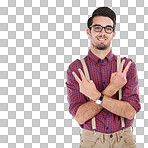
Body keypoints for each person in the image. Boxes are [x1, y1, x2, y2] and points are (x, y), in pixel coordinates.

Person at [66, 7, 141, 148]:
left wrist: (95, 95)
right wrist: (112, 88)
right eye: (98, 27)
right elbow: (80, 116)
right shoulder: (76, 69)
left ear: (113, 33)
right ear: (89, 31)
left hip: (124, 139)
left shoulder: (127, 66)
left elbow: (130, 112)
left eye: (108, 29)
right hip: (91, 140)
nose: (103, 32)